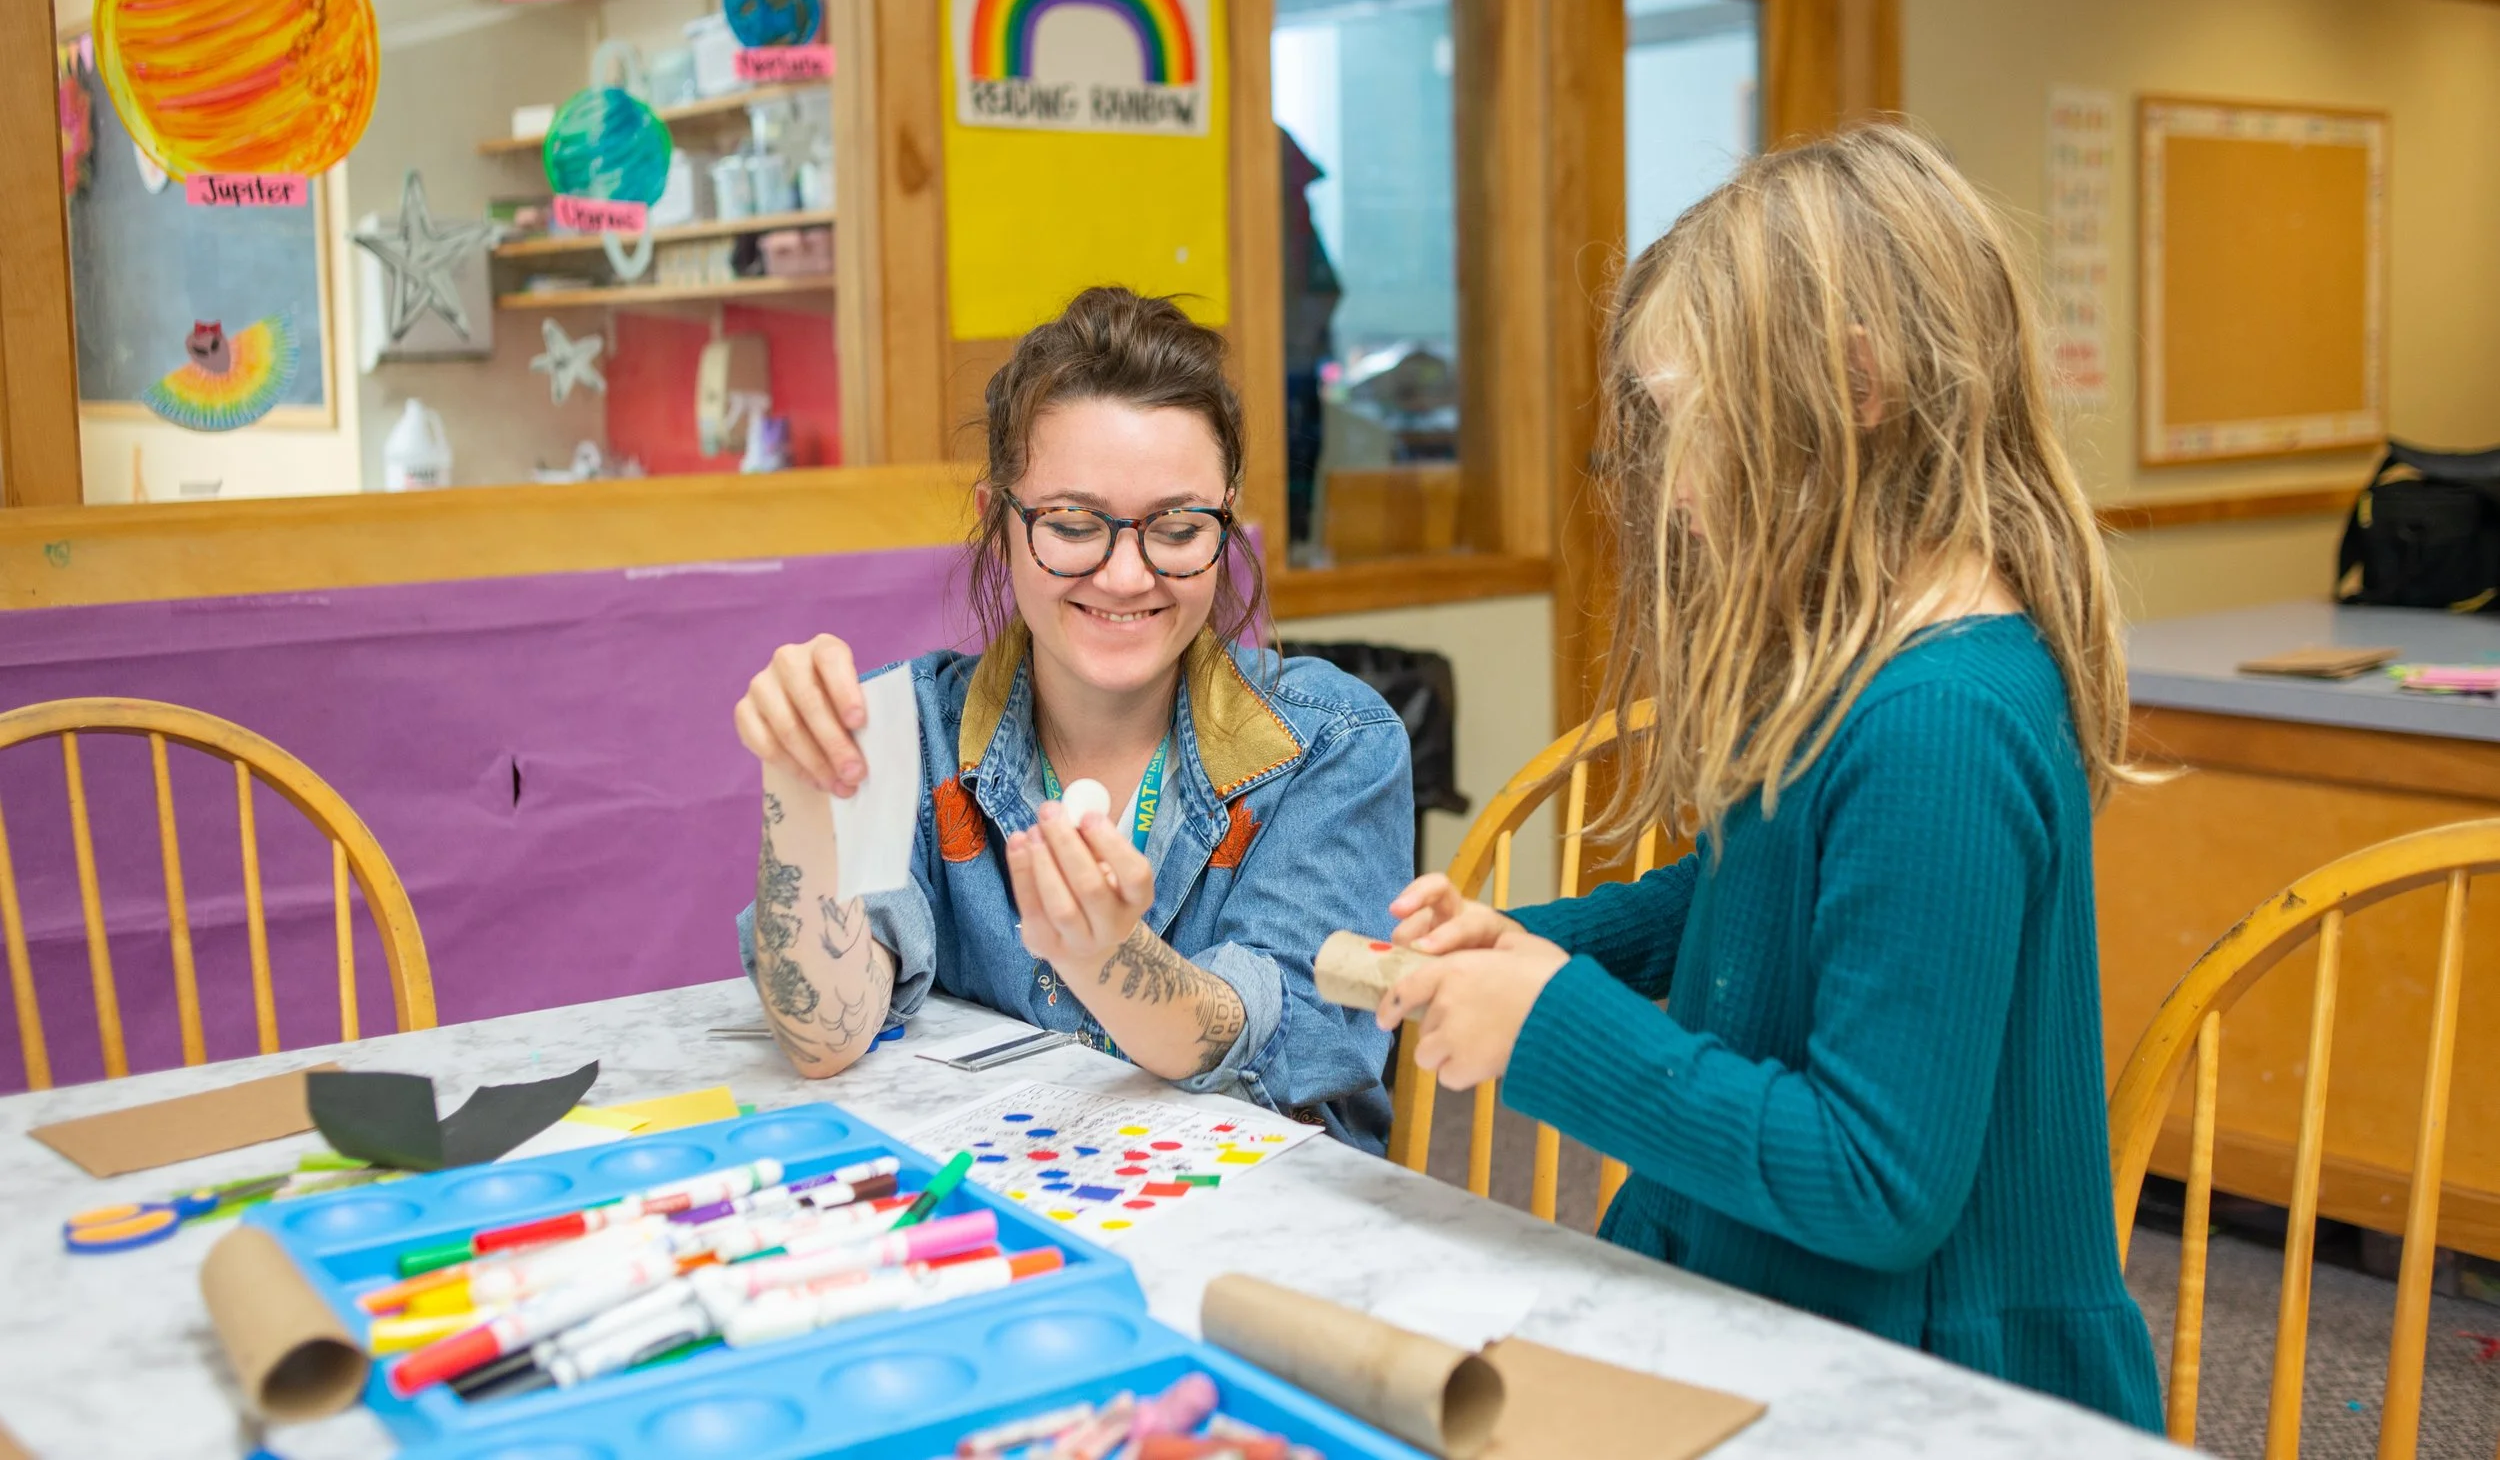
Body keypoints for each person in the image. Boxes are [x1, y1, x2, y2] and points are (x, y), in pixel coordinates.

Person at [1376, 126, 2164, 1428]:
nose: (1673, 486)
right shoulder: (1866, 663)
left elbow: (1873, 1180)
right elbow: (1755, 893)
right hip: (1779, 1308)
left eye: (1690, 421)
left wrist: (1548, 1022)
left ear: (1853, 385)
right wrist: (1537, 945)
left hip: (1930, 1383)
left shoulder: (1939, 724)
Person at [733, 286, 1412, 1151]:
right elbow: (825, 1034)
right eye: (1074, 523)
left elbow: (1270, 1037)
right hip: (1009, 1198)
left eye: (1177, 528)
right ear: (999, 520)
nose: (1126, 575)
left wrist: (1106, 955)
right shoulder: (910, 731)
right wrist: (799, 786)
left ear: (1226, 520)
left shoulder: (1334, 743)